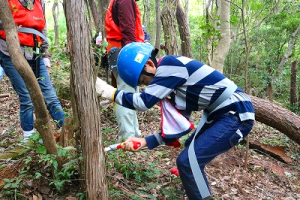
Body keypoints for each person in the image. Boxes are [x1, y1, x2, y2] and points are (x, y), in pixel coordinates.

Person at [95, 42, 255, 199]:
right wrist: (144, 141)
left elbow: (143, 102)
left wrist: (108, 92)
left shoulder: (169, 65)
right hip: (221, 115)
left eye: (144, 81)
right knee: (188, 155)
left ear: (150, 64)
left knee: (188, 162)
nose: (147, 86)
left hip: (236, 112)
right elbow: (180, 127)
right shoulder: (177, 87)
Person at [0, 0, 65, 142]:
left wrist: (45, 53)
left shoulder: (38, 2)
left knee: (50, 96)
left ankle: (66, 130)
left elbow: (43, 28)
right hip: (10, 51)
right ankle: (28, 140)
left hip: (36, 52)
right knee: (27, 98)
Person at [105, 0, 144, 141]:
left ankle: (134, 134)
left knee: (132, 94)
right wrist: (134, 55)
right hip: (125, 53)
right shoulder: (125, 1)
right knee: (126, 95)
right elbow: (128, 30)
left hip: (121, 51)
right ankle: (127, 137)